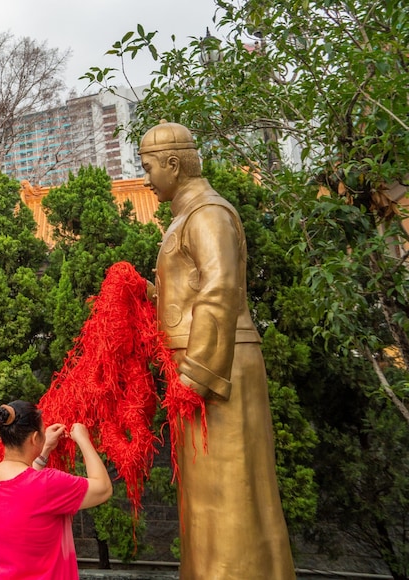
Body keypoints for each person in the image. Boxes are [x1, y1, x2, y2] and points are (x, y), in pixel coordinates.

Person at [140, 121, 295, 579]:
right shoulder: (187, 218)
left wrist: (195, 375)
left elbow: (221, 288)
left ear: (172, 164)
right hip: (204, 365)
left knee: (230, 493)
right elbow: (191, 293)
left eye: (148, 167)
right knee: (206, 498)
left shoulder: (207, 214)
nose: (147, 177)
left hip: (216, 366)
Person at [0, 400, 113, 579]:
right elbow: (103, 488)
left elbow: (25, 495)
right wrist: (83, 439)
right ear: (34, 438)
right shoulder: (47, 483)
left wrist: (44, 450)